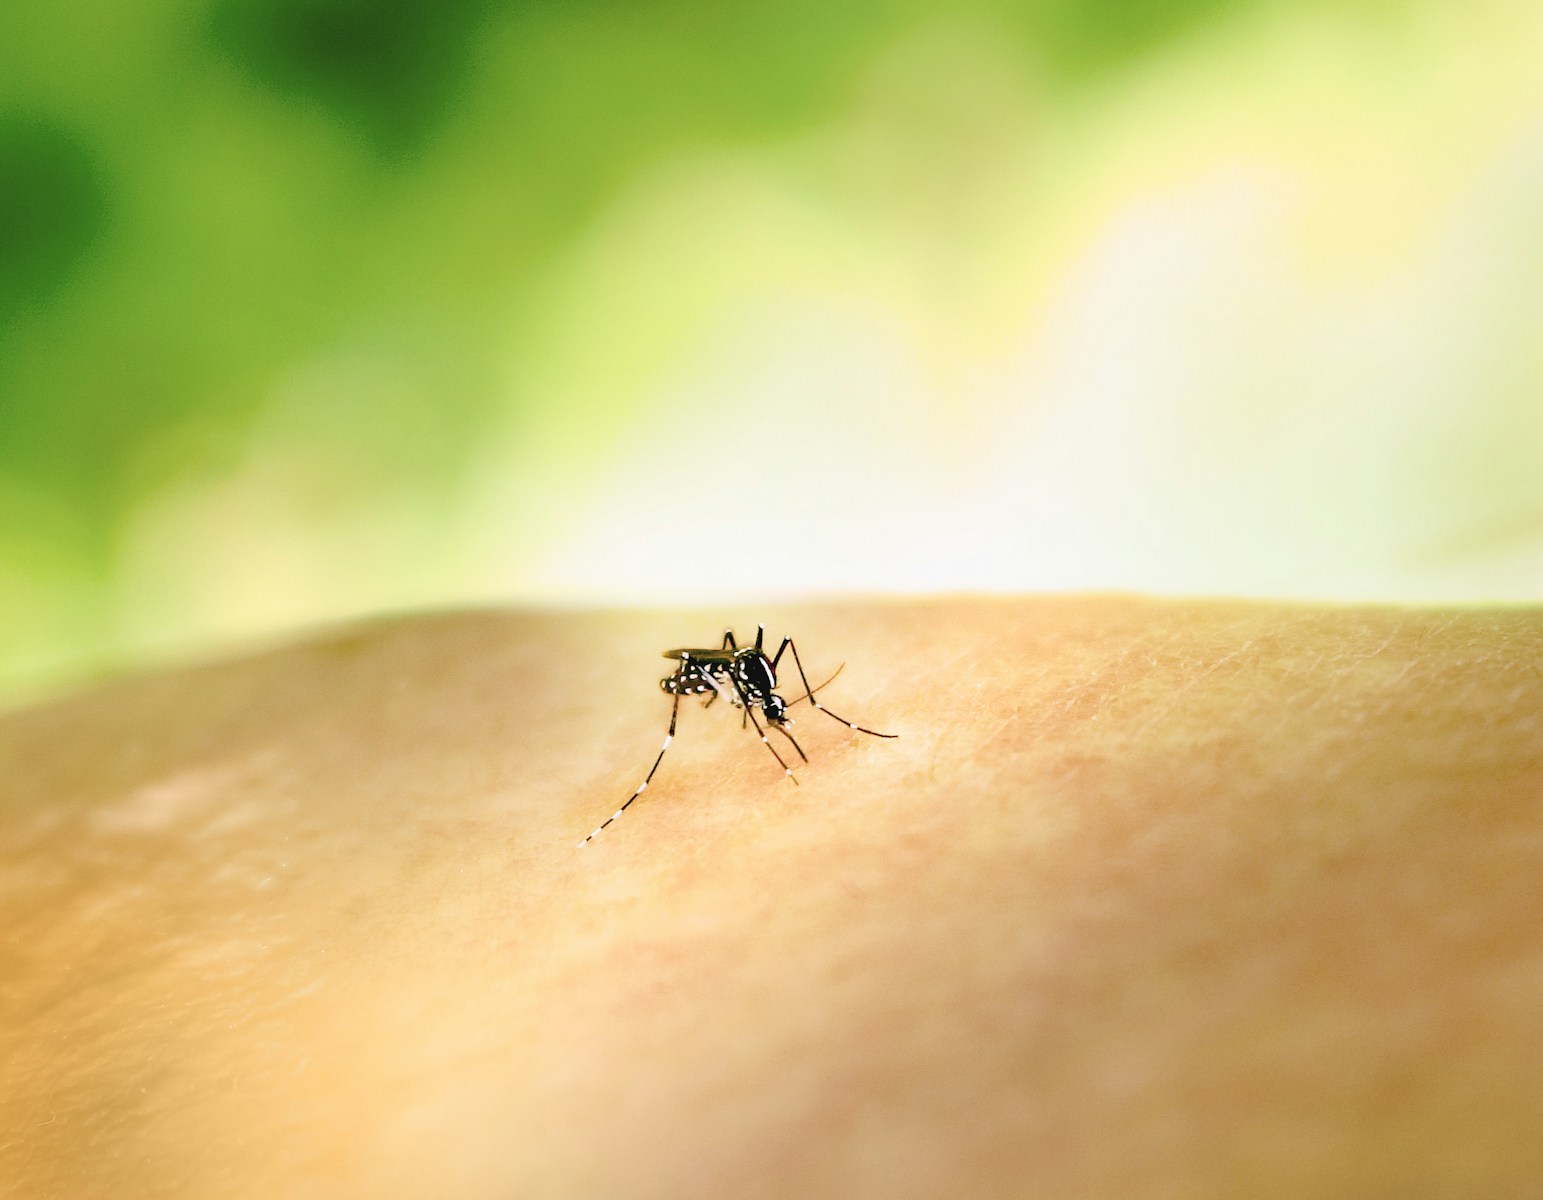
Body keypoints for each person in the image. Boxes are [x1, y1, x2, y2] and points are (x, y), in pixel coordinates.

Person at [3, 598, 1541, 1197]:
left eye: (755, 694)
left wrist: (807, 713)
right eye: (755, 695)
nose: (749, 696)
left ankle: (822, 726)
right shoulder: (696, 690)